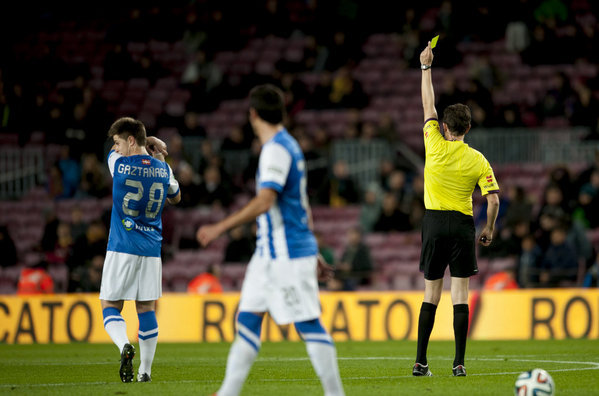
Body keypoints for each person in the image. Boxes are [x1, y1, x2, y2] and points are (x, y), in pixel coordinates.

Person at [196, 84, 344, 396]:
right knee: (247, 319)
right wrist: (315, 252)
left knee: (307, 324)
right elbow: (302, 204)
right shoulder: (287, 146)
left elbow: (265, 200)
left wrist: (219, 227)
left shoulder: (276, 149)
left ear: (252, 114)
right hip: (268, 254)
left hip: (286, 253)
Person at [413, 41, 500, 378]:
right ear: (468, 129)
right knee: (460, 294)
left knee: (431, 292)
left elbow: (427, 102)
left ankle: (421, 362)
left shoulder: (433, 143)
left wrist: (426, 67)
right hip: (463, 225)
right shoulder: (478, 159)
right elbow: (492, 199)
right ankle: (459, 363)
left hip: (433, 223)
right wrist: (488, 228)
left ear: (444, 128)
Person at [100, 117, 181, 384]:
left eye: (119, 142)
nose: (117, 147)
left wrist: (148, 142)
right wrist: (153, 149)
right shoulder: (163, 169)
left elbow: (113, 154)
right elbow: (176, 197)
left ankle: (124, 345)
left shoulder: (119, 164)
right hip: (151, 249)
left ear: (130, 140)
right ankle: (145, 372)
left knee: (110, 304)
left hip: (121, 246)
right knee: (146, 308)